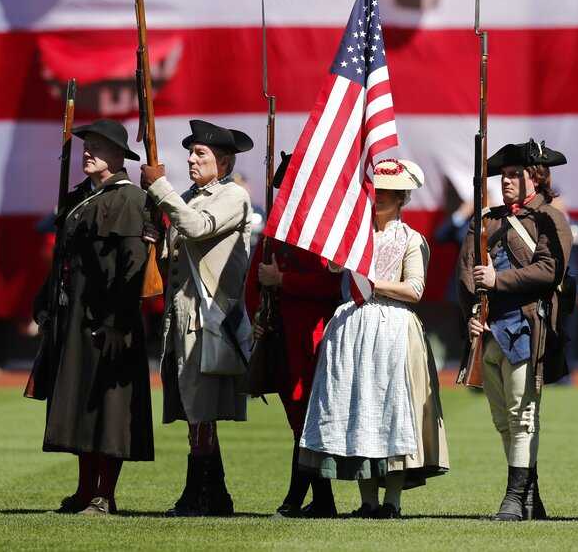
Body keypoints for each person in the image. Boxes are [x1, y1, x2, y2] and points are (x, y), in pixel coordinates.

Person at [299, 159, 449, 519]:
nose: (379, 198)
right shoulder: (355, 236)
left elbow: (415, 288)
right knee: (358, 407)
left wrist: (373, 283)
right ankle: (367, 501)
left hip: (393, 326)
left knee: (393, 410)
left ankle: (392, 502)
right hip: (353, 325)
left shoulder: (412, 239)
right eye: (375, 192)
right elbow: (333, 265)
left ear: (401, 198)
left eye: (387, 194)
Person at [28, 119, 155, 516]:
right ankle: (84, 490)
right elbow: (62, 259)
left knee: (109, 410)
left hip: (108, 321)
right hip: (73, 318)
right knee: (79, 407)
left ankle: (105, 494)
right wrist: (45, 305)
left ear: (119, 157)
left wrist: (118, 322)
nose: (88, 151)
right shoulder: (78, 197)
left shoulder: (130, 199)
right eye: (86, 145)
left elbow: (133, 266)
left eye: (98, 146)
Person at [141, 119, 255, 517]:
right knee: (193, 411)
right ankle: (213, 494)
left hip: (208, 316)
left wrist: (160, 188)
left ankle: (200, 495)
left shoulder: (232, 196)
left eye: (200, 153)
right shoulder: (190, 195)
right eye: (191, 152)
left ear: (222, 162)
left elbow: (195, 226)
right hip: (182, 316)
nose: (191, 158)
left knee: (200, 410)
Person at [457, 139, 572, 521]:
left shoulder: (549, 220)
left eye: (514, 175)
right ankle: (529, 500)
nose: (505, 182)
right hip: (487, 331)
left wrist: (498, 278)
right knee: (502, 420)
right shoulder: (487, 221)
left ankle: (513, 498)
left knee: (523, 417)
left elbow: (549, 270)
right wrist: (473, 311)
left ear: (536, 178)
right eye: (503, 176)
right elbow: (466, 272)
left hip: (526, 327)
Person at [246, 152, 343, 518]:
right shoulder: (275, 231)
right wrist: (256, 314)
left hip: (314, 336)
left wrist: (284, 281)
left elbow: (332, 283)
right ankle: (322, 501)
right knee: (297, 421)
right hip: (279, 333)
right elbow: (254, 280)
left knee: (307, 421)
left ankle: (299, 499)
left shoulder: (325, 231)